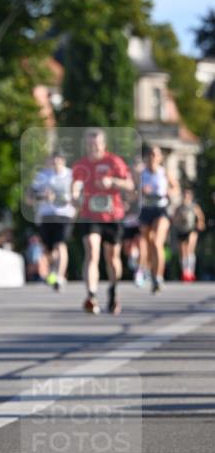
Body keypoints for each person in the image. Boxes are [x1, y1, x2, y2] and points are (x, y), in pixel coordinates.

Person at [72, 128, 134, 315]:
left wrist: (113, 182)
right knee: (92, 251)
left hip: (112, 215)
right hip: (89, 215)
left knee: (112, 258)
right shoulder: (81, 165)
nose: (93, 148)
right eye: (90, 144)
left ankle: (113, 291)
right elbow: (75, 184)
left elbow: (130, 185)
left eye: (96, 144)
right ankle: (91, 295)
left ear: (103, 145)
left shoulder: (114, 161)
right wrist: (75, 195)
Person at [27, 151, 74, 291]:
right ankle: (53, 271)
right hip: (46, 215)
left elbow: (77, 196)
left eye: (57, 161)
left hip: (64, 215)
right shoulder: (42, 176)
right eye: (52, 161)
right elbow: (29, 197)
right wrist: (43, 196)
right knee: (48, 250)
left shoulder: (71, 175)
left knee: (61, 244)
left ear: (63, 161)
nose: (54, 164)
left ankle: (59, 276)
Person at [138, 146, 179, 293]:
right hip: (145, 210)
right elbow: (132, 191)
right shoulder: (141, 174)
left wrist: (169, 192)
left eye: (155, 155)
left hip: (161, 209)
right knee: (148, 244)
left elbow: (176, 188)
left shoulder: (164, 173)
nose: (152, 157)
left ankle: (158, 277)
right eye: (150, 154)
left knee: (157, 242)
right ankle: (149, 270)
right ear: (146, 157)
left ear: (160, 157)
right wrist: (141, 191)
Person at [173, 186, 205, 282]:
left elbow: (200, 216)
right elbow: (174, 218)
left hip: (191, 229)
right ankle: (185, 271)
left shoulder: (194, 206)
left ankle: (191, 272)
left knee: (190, 248)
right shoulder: (179, 207)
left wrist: (200, 223)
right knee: (183, 251)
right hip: (181, 229)